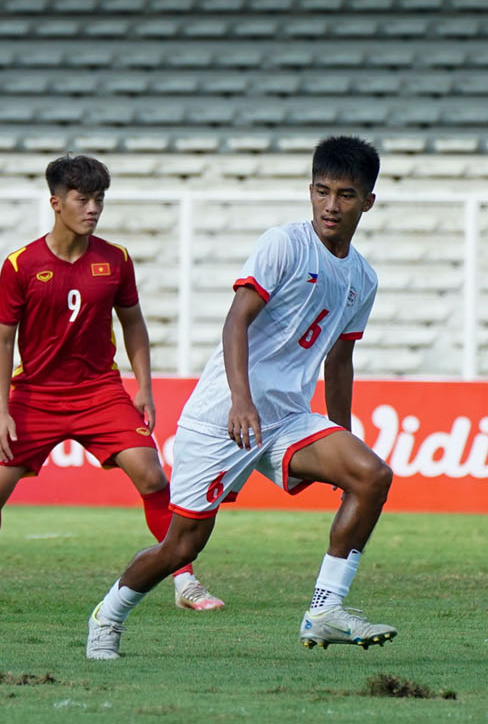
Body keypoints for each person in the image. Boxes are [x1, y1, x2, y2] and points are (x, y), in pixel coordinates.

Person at [85, 136, 394, 660]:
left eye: (345, 195)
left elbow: (340, 363)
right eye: (322, 192)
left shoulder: (362, 278)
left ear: (368, 200)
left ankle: (325, 610)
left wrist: (342, 434)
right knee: (181, 545)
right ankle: (107, 617)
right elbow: (237, 320)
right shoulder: (284, 243)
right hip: (222, 417)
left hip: (286, 417)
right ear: (310, 190)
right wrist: (240, 399)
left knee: (372, 475)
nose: (330, 206)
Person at [0, 155, 223, 613]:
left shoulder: (116, 260)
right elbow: (1, 342)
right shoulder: (20, 265)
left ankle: (185, 582)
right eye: (83, 199)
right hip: (36, 395)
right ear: (56, 202)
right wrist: (1, 411)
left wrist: (143, 387)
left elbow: (134, 326)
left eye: (99, 199)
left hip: (99, 393)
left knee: (152, 476)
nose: (93, 208)